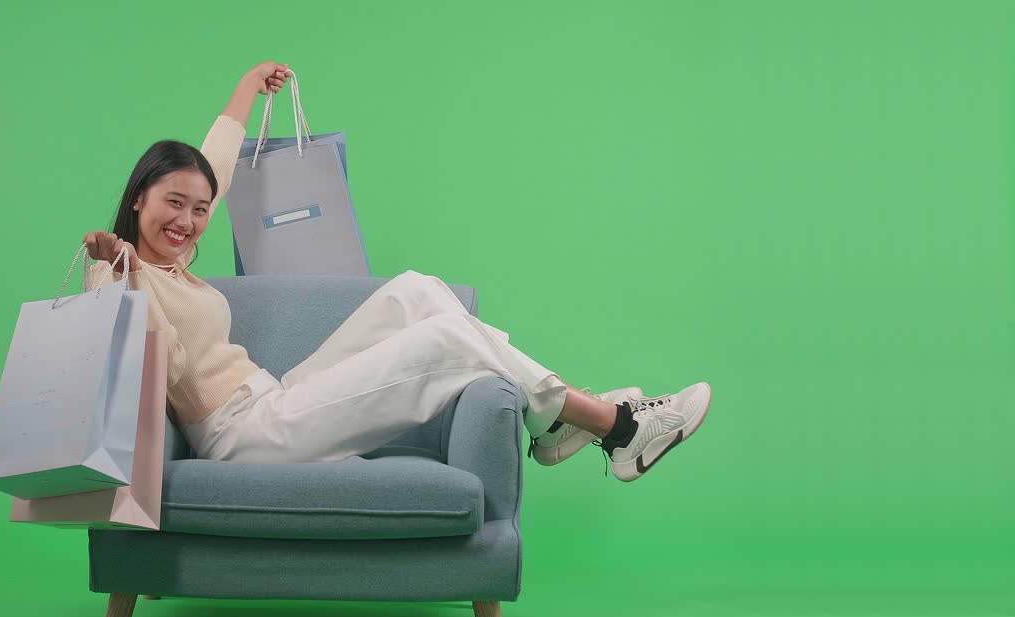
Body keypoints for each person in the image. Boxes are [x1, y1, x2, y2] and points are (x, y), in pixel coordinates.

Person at [81, 61, 712, 481]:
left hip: (274, 396)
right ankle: (616, 427)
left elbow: (213, 161)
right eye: (173, 205)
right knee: (448, 340)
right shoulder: (127, 272)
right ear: (139, 198)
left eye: (198, 209)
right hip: (240, 436)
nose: (189, 221)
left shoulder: (176, 256)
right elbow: (111, 352)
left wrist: (248, 84)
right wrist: (108, 270)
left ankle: (557, 425)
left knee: (416, 291)